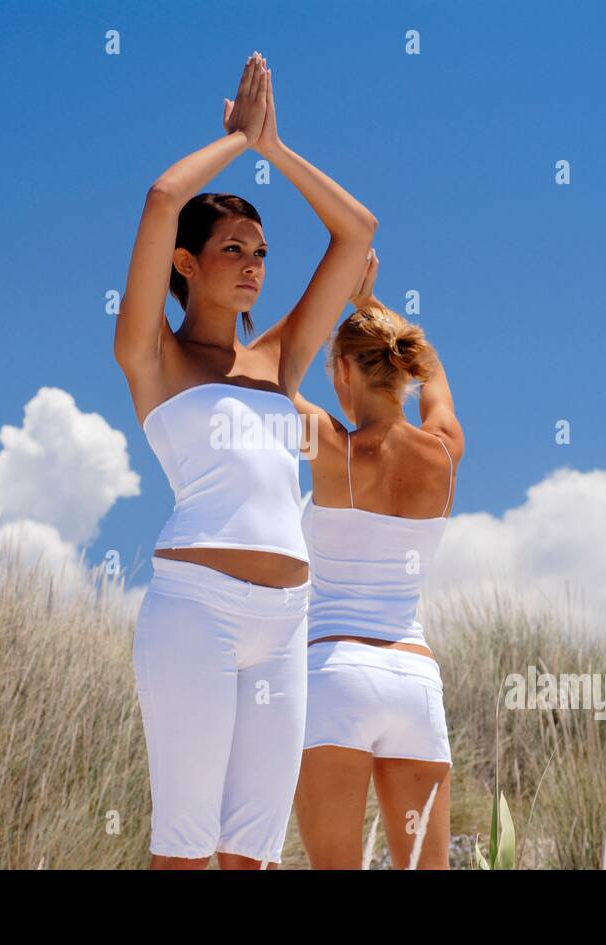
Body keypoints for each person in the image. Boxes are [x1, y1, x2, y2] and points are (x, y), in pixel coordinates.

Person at [114, 51, 378, 869]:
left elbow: (358, 232)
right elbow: (163, 200)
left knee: (251, 853)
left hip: (285, 621)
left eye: (261, 251)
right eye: (233, 248)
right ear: (187, 267)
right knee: (187, 846)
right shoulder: (152, 357)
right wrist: (234, 141)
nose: (255, 263)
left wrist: (277, 149)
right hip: (195, 609)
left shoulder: (279, 360)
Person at [291, 250, 463, 869]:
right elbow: (434, 368)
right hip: (414, 679)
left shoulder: (329, 445)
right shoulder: (444, 451)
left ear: (340, 370)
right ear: (403, 373)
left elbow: (269, 379)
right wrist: (370, 306)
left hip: (335, 672)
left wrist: (337, 293)